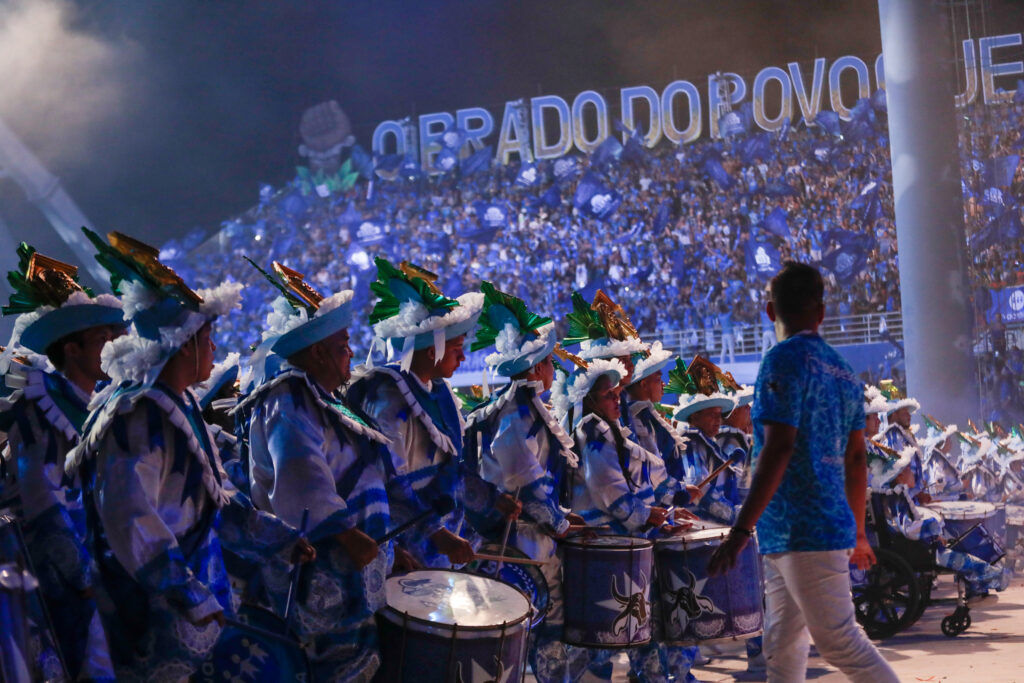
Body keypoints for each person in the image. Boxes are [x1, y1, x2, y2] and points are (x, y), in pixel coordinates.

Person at [66, 230, 311, 682]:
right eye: (208, 335)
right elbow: (131, 519)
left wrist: (278, 537)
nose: (215, 348)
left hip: (192, 600)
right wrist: (185, 591)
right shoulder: (136, 415)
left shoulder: (177, 404)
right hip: (153, 610)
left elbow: (213, 497)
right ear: (186, 342)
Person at [708, 262, 898, 683]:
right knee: (783, 641)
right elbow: (855, 461)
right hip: (815, 528)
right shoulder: (844, 372)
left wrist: (740, 532)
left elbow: (778, 447)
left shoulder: (780, 361)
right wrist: (859, 532)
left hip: (798, 528)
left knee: (838, 642)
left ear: (770, 311)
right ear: (822, 312)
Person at [240, 260, 393, 681]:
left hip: (353, 565)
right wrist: (345, 532)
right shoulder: (287, 397)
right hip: (321, 564)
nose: (350, 352)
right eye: (343, 343)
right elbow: (299, 473)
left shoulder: (324, 398)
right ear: (319, 352)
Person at [0, 245, 125, 681]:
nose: (112, 347)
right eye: (102, 340)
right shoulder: (39, 406)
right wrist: (83, 574)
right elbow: (42, 503)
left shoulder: (103, 404)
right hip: (63, 578)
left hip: (113, 568)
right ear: (71, 349)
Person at [462, 282, 589, 682]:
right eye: (550, 362)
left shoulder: (528, 412)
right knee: (516, 638)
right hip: (519, 543)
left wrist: (562, 517)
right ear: (535, 369)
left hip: (537, 538)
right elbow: (528, 483)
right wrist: (562, 523)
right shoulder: (516, 415)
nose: (554, 371)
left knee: (543, 632)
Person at [347, 258, 482, 569]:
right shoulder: (389, 397)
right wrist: (438, 534)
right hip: (405, 551)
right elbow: (389, 480)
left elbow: (454, 467)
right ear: (431, 348)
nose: (463, 355)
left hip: (443, 546)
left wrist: (491, 499)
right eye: (456, 347)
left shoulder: (439, 391)